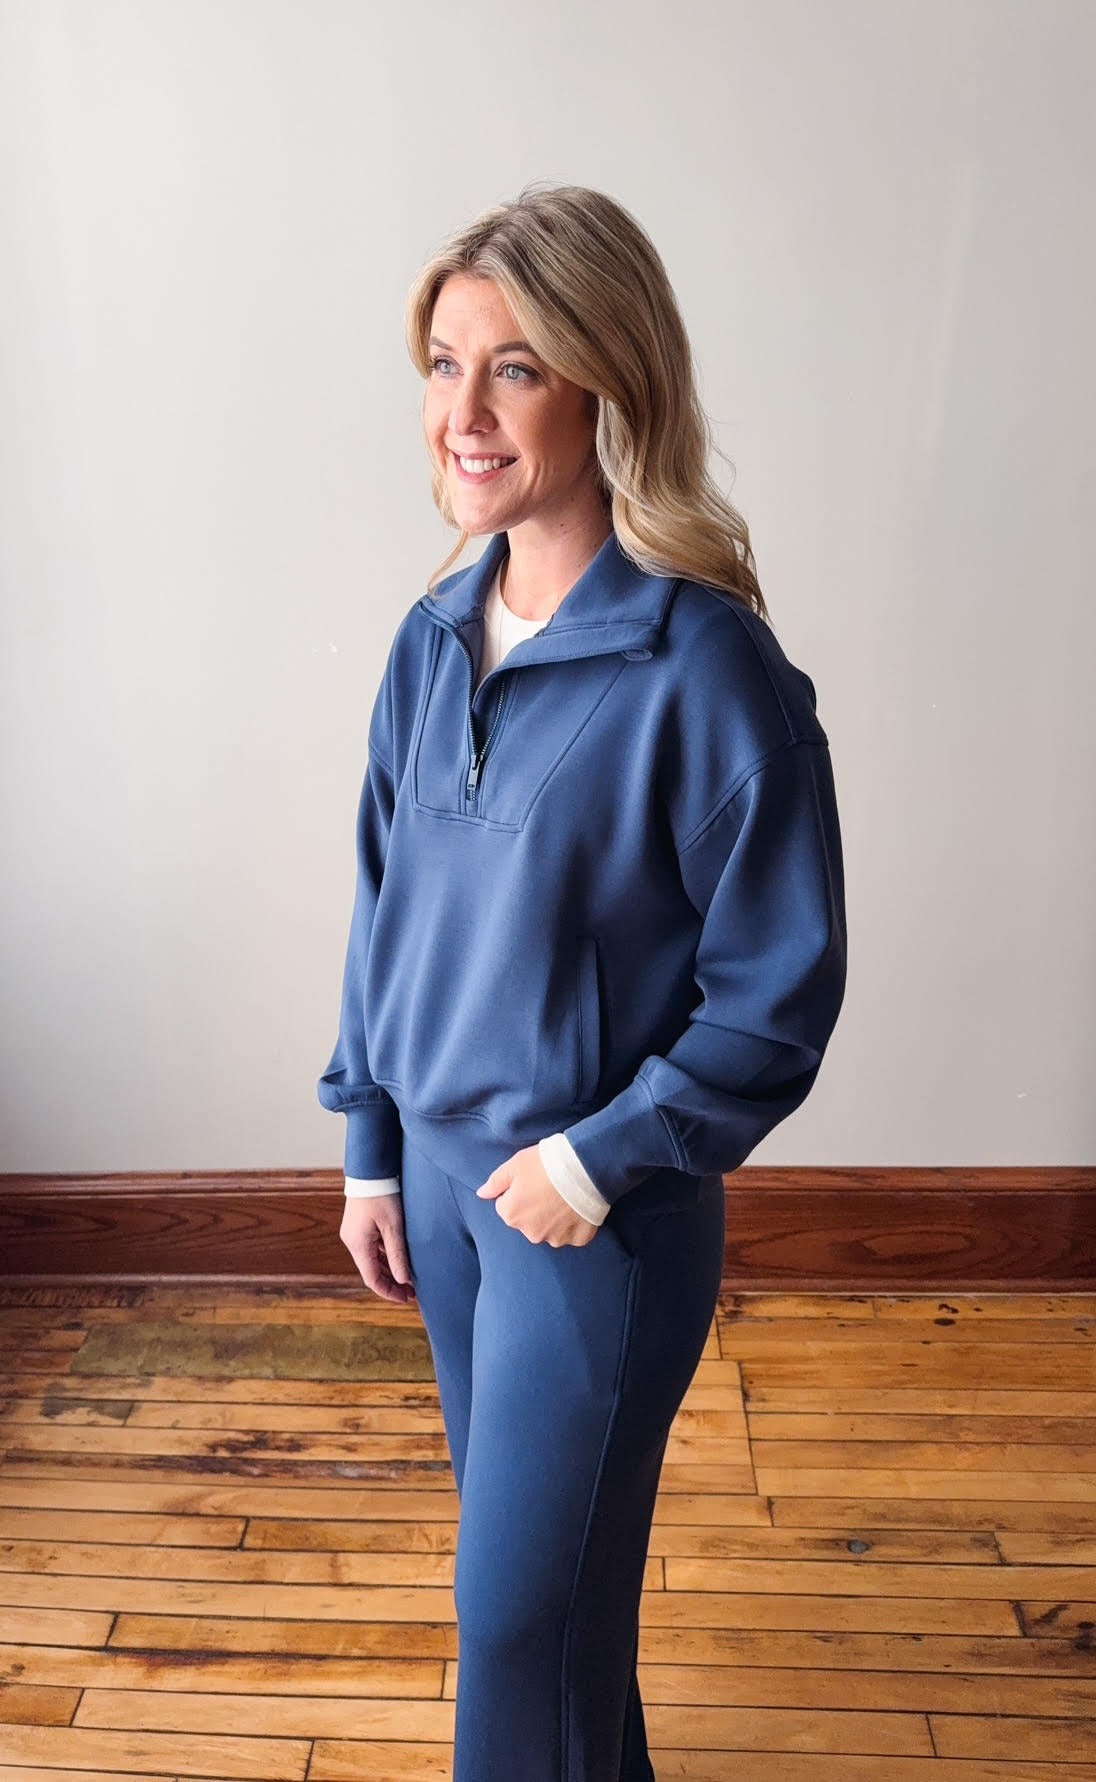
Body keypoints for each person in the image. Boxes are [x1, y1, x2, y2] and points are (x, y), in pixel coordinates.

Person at [318, 180, 847, 1782]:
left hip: (590, 1224)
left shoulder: (710, 671)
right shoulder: (429, 638)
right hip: (446, 1199)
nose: (462, 413)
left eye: (516, 368)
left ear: (612, 378)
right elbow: (381, 899)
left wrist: (590, 1159)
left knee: (517, 1627)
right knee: (553, 1627)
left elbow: (780, 994)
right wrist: (367, 1135)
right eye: (442, 362)